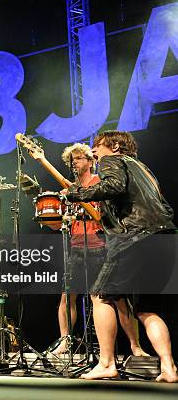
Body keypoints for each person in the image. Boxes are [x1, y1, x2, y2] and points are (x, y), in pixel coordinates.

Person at [66, 131, 177, 382]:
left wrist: (76, 194)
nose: (94, 152)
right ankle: (169, 368)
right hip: (166, 238)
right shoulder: (145, 170)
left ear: (115, 146)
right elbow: (163, 206)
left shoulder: (112, 161)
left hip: (136, 238)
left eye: (97, 146)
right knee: (147, 310)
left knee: (100, 295)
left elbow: (112, 186)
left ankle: (106, 363)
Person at [51, 143, 146, 357]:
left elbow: (108, 215)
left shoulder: (99, 184)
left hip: (101, 247)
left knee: (117, 300)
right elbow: (59, 224)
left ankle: (135, 345)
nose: (73, 163)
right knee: (67, 298)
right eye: (71, 160)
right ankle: (65, 341)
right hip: (76, 247)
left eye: (77, 158)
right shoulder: (69, 189)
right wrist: (56, 218)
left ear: (90, 160)